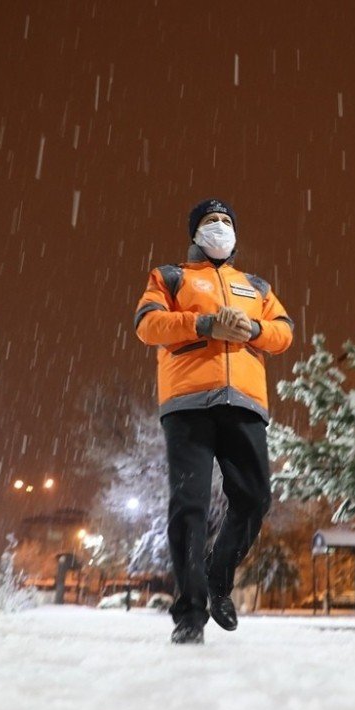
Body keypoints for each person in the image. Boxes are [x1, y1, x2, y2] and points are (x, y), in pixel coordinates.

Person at [134, 198, 293, 644]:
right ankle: (189, 614)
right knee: (190, 507)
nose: (220, 227)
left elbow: (284, 331)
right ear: (195, 233)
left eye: (227, 221)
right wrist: (205, 325)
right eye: (211, 221)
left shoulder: (256, 285)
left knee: (255, 497)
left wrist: (253, 331)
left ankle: (218, 575)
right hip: (188, 404)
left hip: (244, 403)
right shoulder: (171, 276)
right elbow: (148, 325)